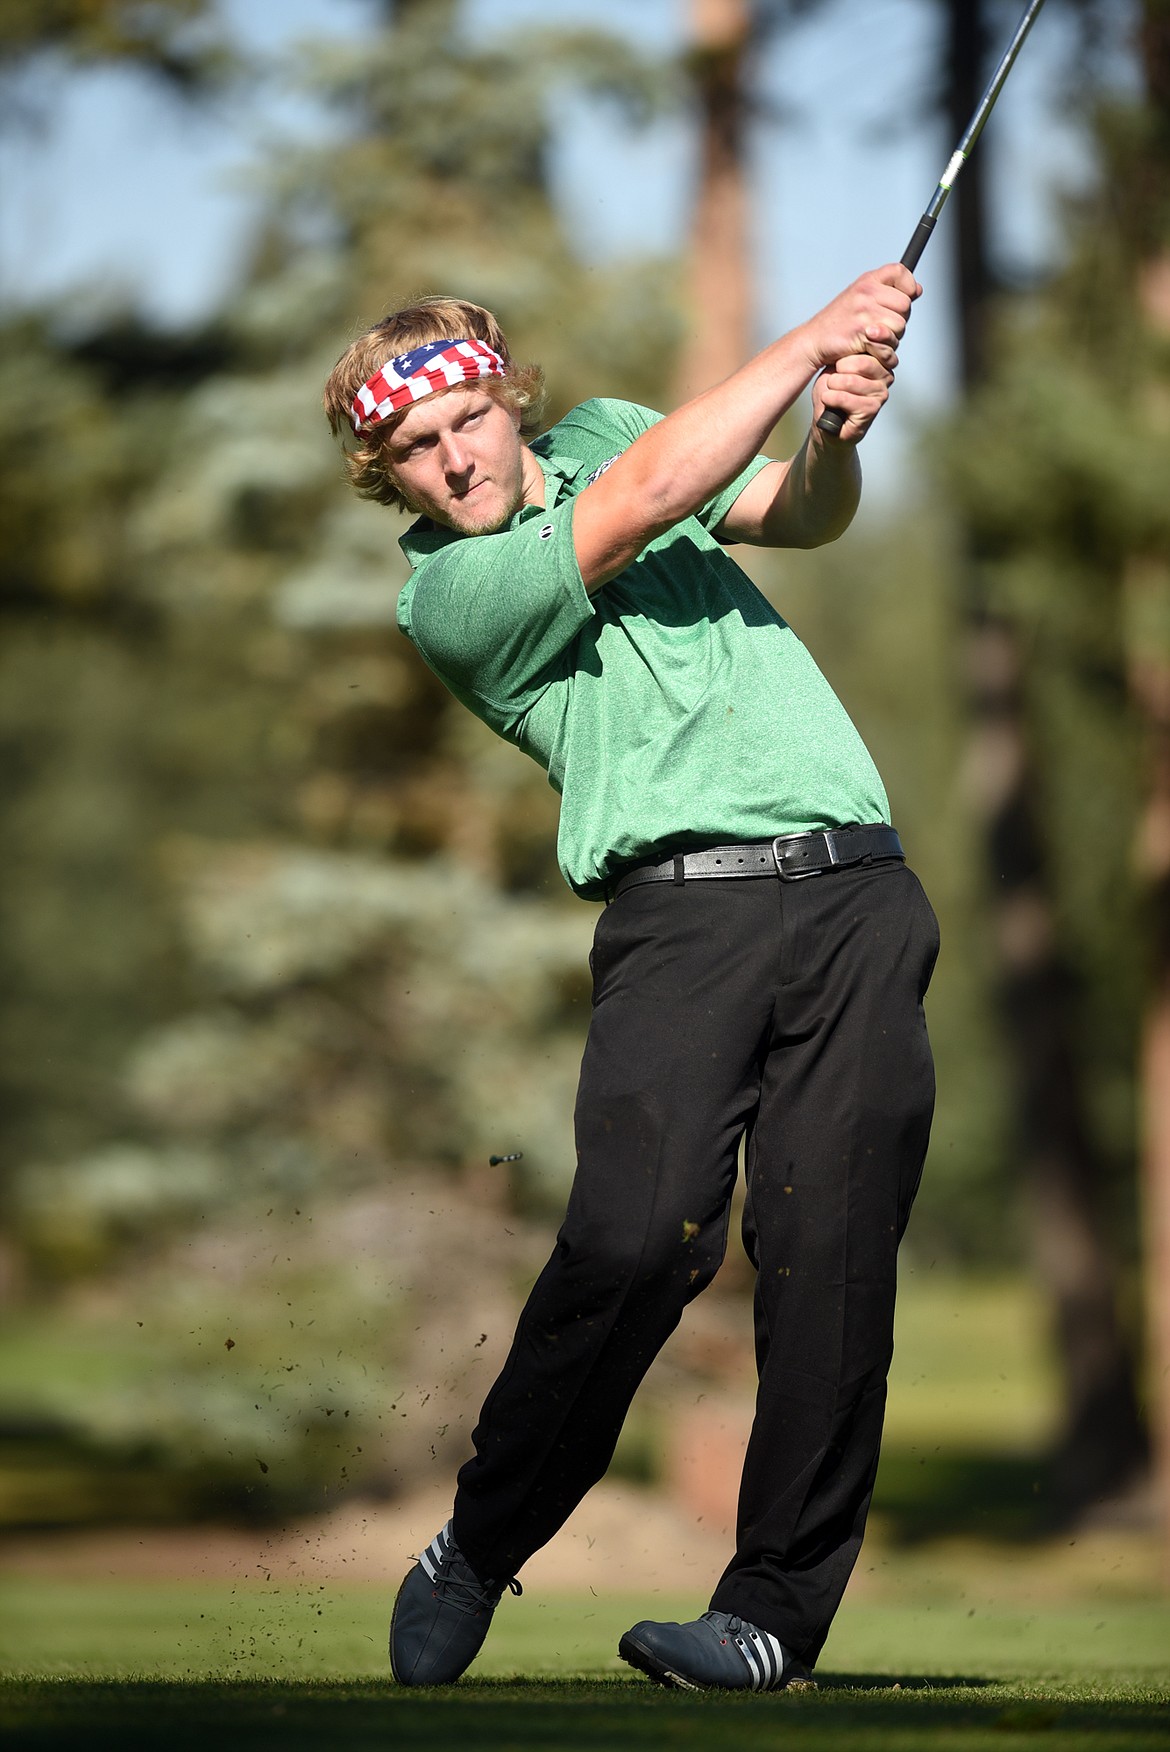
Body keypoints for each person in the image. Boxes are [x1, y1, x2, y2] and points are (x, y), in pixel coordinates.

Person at [322, 264, 939, 1693]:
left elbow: (790, 517)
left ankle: (769, 1616)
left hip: (856, 893)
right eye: (414, 454)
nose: (451, 462)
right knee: (632, 1241)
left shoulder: (599, 430)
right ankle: (481, 1542)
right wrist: (811, 337)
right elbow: (653, 497)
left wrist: (832, 432)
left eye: (463, 422)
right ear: (389, 480)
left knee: (829, 1264)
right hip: (682, 923)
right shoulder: (454, 594)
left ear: (506, 398)